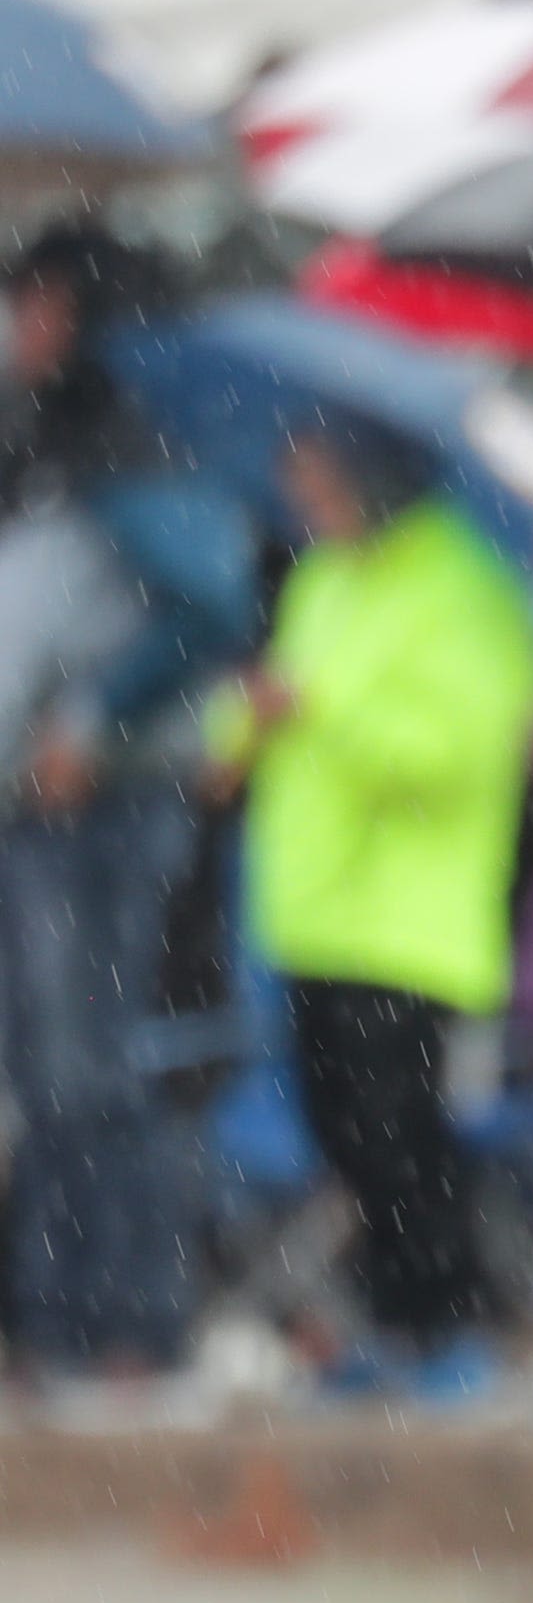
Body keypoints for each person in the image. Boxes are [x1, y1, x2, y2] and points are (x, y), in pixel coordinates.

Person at [214, 412, 533, 1400]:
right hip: (314, 916)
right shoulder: (323, 580)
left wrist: (323, 715)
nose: (306, 502)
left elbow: (459, 752)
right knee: (341, 1138)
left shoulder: (465, 588)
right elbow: (268, 706)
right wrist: (249, 720)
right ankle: (393, 1328)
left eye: (321, 482)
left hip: (411, 925)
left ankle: (448, 1327)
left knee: (403, 1138)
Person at [0, 226, 235, 1381]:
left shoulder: (133, 438)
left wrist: (93, 719)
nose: (19, 330)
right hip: (43, 815)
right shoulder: (50, 436)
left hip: (104, 812)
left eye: (37, 306)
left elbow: (208, 607)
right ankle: (56, 1319)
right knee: (53, 1073)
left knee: (93, 1068)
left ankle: (127, 1320)